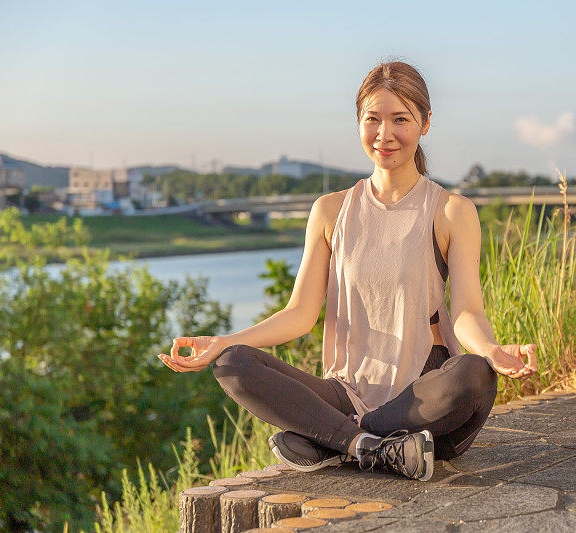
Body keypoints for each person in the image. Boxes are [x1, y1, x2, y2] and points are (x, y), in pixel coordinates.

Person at [157, 61, 537, 482]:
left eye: (400, 120)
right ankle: (370, 447)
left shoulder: (451, 211)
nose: (384, 134)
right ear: (358, 121)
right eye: (372, 119)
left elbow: (466, 311)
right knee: (232, 365)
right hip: (347, 394)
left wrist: (492, 349)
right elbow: (300, 314)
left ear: (425, 123)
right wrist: (224, 341)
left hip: (424, 405)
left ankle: (333, 442)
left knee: (474, 374)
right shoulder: (330, 211)